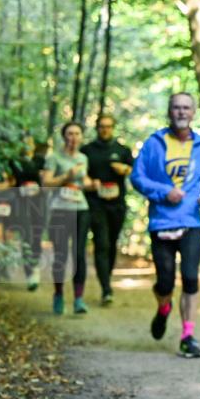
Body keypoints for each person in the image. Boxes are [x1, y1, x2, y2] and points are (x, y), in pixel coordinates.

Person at [130, 93, 200, 359]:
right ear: (169, 112)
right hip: (161, 221)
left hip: (191, 221)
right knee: (165, 282)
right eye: (176, 108)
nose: (181, 112)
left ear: (193, 112)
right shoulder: (154, 143)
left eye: (186, 108)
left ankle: (187, 336)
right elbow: (137, 177)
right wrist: (163, 191)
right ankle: (163, 307)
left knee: (191, 277)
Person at [40, 122, 93, 315]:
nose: (73, 137)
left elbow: (83, 181)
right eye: (70, 133)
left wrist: (90, 183)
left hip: (81, 208)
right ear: (64, 136)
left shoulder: (83, 158)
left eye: (77, 133)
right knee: (61, 254)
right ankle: (59, 294)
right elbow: (46, 183)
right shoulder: (54, 158)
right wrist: (66, 176)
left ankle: (79, 299)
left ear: (81, 137)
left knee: (79, 254)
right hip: (60, 210)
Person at [81, 114, 134, 305]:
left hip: (117, 204)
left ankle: (107, 277)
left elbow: (135, 171)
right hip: (95, 204)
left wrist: (125, 170)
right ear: (97, 128)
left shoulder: (122, 150)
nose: (105, 130)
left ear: (113, 128)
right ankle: (106, 289)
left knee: (111, 244)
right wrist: (89, 183)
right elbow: (80, 174)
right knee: (101, 243)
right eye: (102, 126)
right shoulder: (87, 151)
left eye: (108, 126)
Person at [9, 134, 46, 290]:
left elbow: (38, 175)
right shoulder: (13, 161)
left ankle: (35, 267)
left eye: (29, 142)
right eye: (23, 142)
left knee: (36, 236)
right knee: (26, 236)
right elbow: (17, 177)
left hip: (38, 203)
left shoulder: (40, 160)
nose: (26, 145)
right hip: (20, 203)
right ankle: (30, 272)